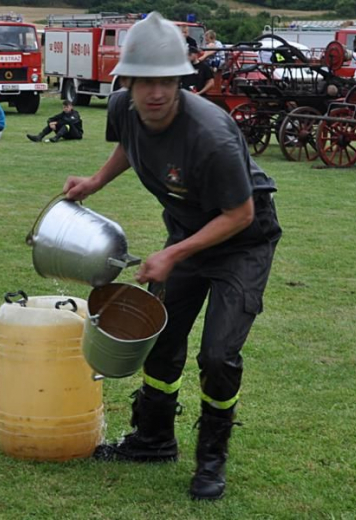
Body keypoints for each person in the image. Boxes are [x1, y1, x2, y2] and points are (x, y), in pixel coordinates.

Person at [62, 12, 281, 502]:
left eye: (167, 82)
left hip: (242, 242)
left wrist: (173, 255)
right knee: (159, 337)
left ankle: (211, 460)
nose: (155, 94)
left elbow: (241, 213)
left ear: (182, 81)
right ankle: (153, 439)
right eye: (144, 81)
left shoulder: (211, 135)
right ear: (128, 82)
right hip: (186, 233)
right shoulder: (122, 108)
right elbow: (130, 144)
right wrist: (95, 182)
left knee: (218, 355)